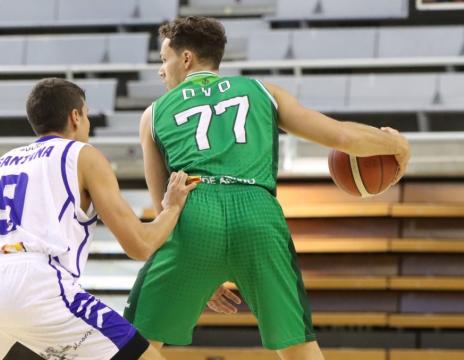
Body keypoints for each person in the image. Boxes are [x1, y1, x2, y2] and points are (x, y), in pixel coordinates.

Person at [123, 16, 411, 360]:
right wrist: (396, 146)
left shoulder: (153, 114)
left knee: (134, 344)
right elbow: (342, 136)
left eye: (163, 60)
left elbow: (164, 207)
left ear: (185, 59)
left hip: (192, 215)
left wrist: (198, 270)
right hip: (257, 212)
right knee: (298, 345)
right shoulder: (262, 91)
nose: (160, 70)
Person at [0, 78, 196, 360]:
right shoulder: (82, 155)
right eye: (86, 116)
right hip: (35, 283)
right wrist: (170, 208)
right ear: (75, 116)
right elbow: (140, 245)